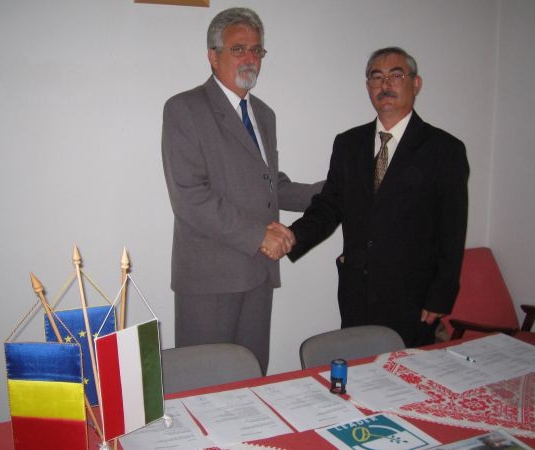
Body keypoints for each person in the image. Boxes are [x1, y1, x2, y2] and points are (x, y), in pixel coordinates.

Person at [161, 7, 323, 373]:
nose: (250, 58)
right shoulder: (184, 109)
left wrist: (335, 190)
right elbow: (189, 196)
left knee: (251, 376)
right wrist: (258, 235)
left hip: (258, 273)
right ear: (213, 55)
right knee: (205, 383)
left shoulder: (263, 114)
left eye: (256, 50)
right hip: (211, 278)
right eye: (238, 49)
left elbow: (271, 185)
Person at [284, 47, 469, 347]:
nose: (385, 85)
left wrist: (441, 295)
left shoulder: (444, 149)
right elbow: (329, 206)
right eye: (376, 77)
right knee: (359, 368)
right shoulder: (348, 144)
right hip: (357, 291)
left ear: (416, 83)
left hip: (413, 297)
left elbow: (452, 231)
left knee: (408, 372)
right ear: (368, 86)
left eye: (396, 75)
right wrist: (293, 236)